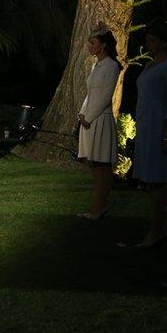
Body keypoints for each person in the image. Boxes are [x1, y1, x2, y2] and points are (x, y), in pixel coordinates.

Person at [131, 22, 167, 247]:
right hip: (144, 124)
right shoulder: (150, 65)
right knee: (148, 179)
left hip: (158, 125)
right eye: (147, 40)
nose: (148, 44)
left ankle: (157, 229)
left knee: (156, 179)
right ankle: (164, 225)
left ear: (164, 42)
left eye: (153, 40)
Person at [76, 23, 121, 220]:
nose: (89, 46)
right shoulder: (96, 66)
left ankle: (100, 206)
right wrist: (82, 114)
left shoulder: (111, 66)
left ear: (102, 45)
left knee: (103, 164)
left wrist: (90, 116)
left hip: (101, 119)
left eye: (92, 43)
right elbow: (91, 92)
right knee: (92, 162)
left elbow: (105, 96)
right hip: (89, 119)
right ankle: (97, 204)